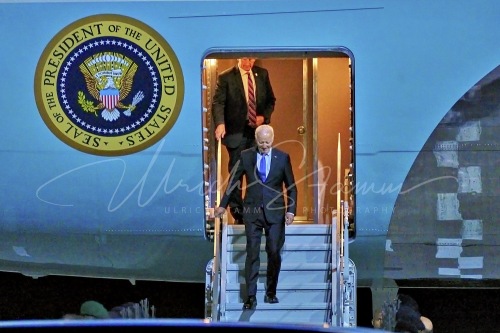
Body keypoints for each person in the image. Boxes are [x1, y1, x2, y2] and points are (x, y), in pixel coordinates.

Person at [214, 124, 297, 310]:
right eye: (261, 143)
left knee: (274, 251)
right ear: (256, 140)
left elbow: (291, 186)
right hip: (252, 212)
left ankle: (271, 291)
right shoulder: (246, 156)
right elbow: (233, 182)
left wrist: (291, 210)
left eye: (267, 142)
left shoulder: (282, 158)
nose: (264, 146)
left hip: (275, 212)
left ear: (273, 140)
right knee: (252, 252)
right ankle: (250, 296)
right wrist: (222, 205)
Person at [212, 58, 276, 224]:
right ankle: (239, 214)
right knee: (236, 174)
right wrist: (220, 123)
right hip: (236, 133)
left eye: (252, 59)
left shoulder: (262, 74)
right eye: (246, 59)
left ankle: (256, 212)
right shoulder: (226, 77)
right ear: (239, 58)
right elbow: (218, 102)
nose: (249, 63)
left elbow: (271, 100)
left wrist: (264, 117)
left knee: (257, 174)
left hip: (256, 133)